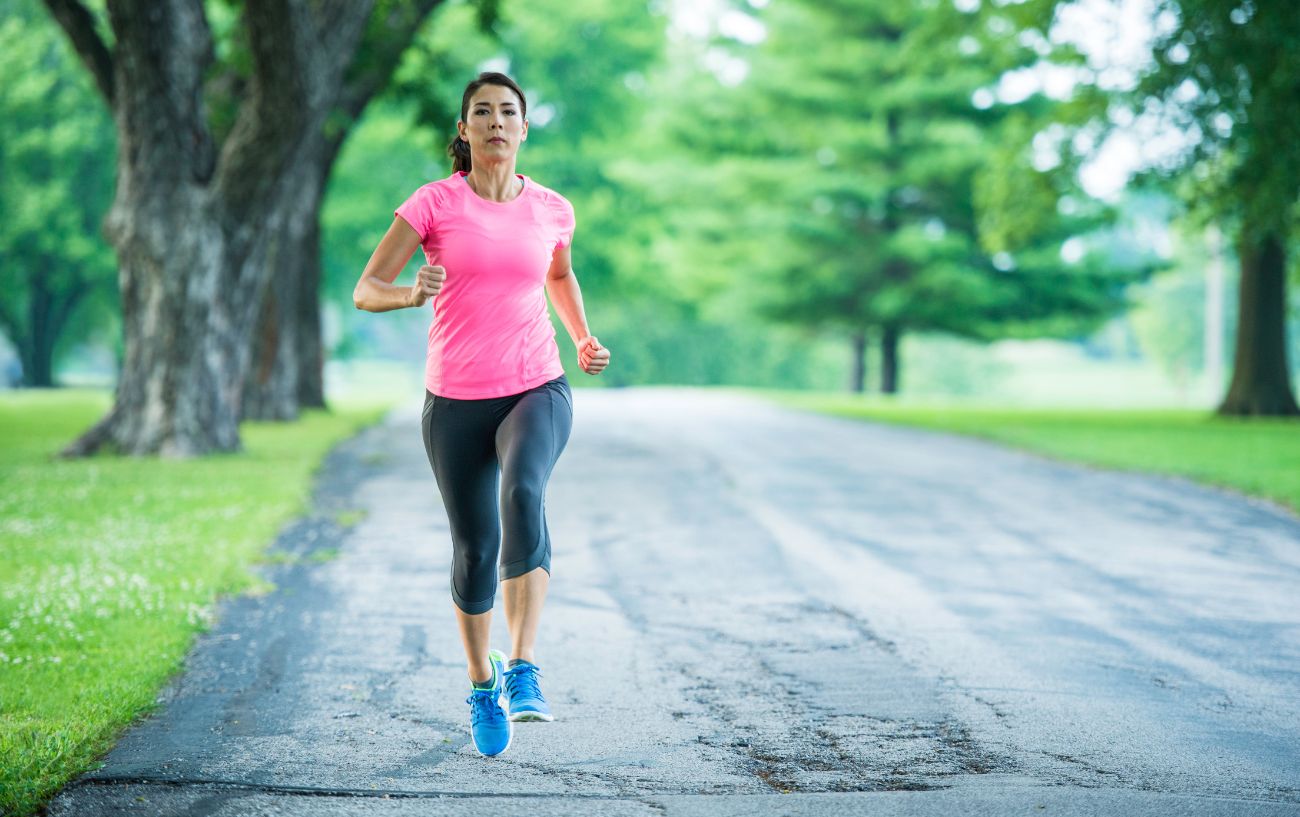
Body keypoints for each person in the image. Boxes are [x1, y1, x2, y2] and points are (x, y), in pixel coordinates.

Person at [352, 71, 610, 757]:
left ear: (524, 128)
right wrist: (410, 295)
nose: (496, 121)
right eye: (482, 113)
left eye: (508, 112)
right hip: (455, 399)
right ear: (463, 131)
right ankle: (480, 679)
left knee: (523, 489)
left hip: (536, 384)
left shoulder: (553, 209)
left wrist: (581, 335)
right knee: (475, 549)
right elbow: (365, 288)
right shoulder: (433, 204)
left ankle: (524, 667)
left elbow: (557, 273)